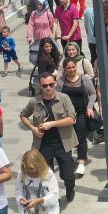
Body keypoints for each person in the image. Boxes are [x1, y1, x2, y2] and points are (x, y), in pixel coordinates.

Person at [20, 72, 78, 202]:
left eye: (51, 84)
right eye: (45, 85)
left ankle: (70, 187)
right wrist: (33, 129)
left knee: (68, 174)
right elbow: (23, 115)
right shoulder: (35, 101)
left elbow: (72, 119)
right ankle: (51, 197)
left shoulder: (64, 98)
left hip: (63, 143)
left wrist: (52, 124)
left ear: (56, 83)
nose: (48, 88)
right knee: (45, 175)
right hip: (43, 144)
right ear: (40, 86)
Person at [56, 57, 96, 178]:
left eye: (73, 67)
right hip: (66, 115)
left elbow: (93, 93)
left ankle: (82, 161)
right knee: (65, 137)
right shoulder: (60, 81)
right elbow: (56, 96)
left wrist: (90, 107)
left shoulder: (84, 79)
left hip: (81, 114)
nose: (71, 70)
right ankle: (68, 160)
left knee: (81, 138)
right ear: (64, 69)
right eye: (69, 68)